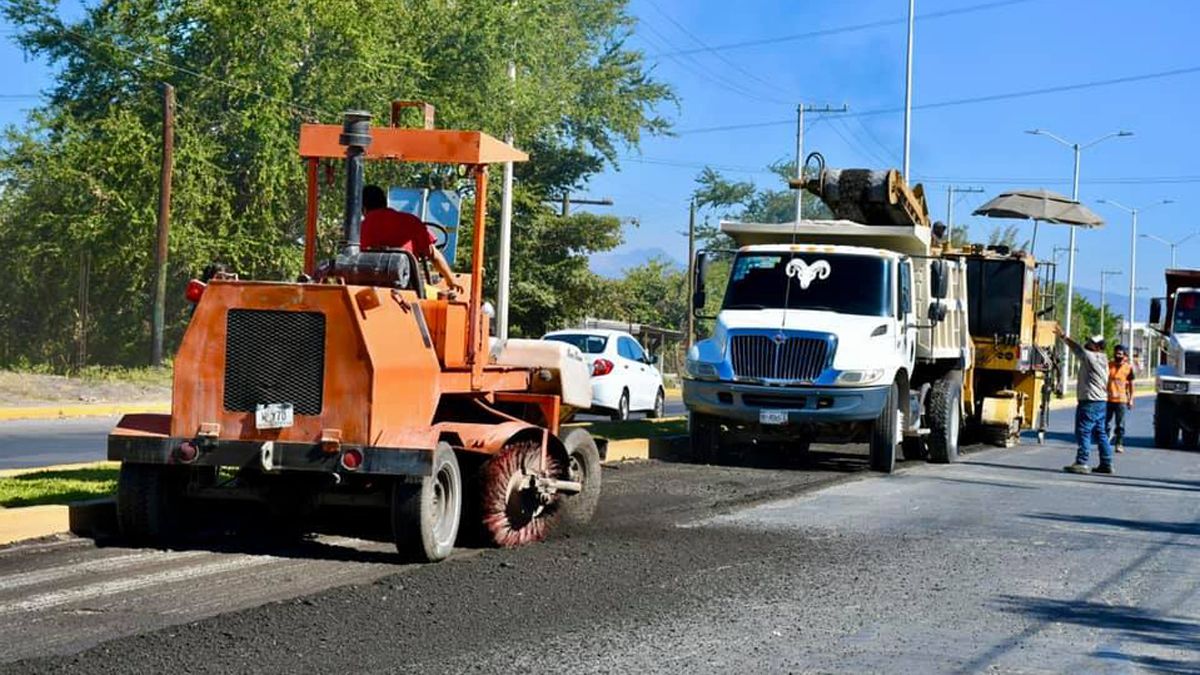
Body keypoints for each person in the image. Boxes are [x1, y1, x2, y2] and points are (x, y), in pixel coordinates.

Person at [360, 185, 463, 294]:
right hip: (407, 290)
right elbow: (434, 255)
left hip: (367, 290)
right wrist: (451, 280)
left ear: (363, 208)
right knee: (438, 295)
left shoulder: (357, 229)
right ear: (385, 203)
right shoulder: (411, 222)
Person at [1055, 327, 1114, 474]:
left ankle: (1082, 462)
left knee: (1084, 430)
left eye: (1091, 342)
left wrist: (1063, 336)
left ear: (1097, 347)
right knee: (1100, 432)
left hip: (1089, 401)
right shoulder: (1104, 358)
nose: (1087, 343)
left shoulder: (1090, 357)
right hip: (1101, 401)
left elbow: (1076, 348)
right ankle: (1106, 462)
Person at [1106, 344, 1136, 453]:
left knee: (1120, 424)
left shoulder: (1128, 368)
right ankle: (1105, 442)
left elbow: (1131, 384)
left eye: (1120, 354)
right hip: (1108, 399)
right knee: (1105, 423)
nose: (1118, 355)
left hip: (1121, 401)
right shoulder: (1109, 365)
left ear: (1124, 355)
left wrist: (1131, 399)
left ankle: (1119, 443)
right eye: (1116, 353)